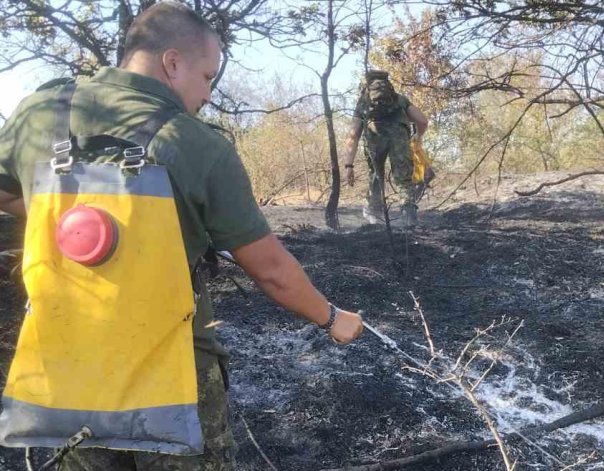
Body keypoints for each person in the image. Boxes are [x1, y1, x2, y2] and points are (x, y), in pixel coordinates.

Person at [0, 2, 363, 470]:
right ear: (172, 62)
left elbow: (7, 196)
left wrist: (74, 215)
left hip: (69, 367)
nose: (208, 94)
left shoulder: (40, 113)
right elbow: (271, 270)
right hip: (171, 379)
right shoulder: (196, 143)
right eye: (208, 77)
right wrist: (332, 318)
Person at [343, 70, 429, 227]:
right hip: (400, 139)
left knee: (376, 175)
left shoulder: (363, 103)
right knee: (403, 178)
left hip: (374, 139)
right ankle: (408, 216)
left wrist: (349, 165)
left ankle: (375, 217)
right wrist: (418, 136)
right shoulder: (400, 100)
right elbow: (422, 121)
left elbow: (353, 135)